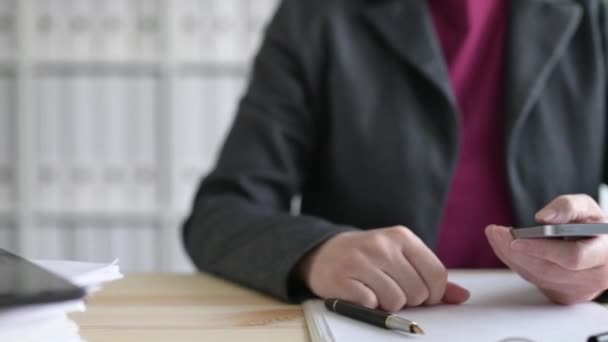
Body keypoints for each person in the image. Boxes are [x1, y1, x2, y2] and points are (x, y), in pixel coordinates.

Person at [182, 0, 608, 312]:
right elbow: (220, 213)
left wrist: (598, 265)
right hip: (375, 323)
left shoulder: (596, 16)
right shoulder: (315, 15)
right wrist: (317, 252)